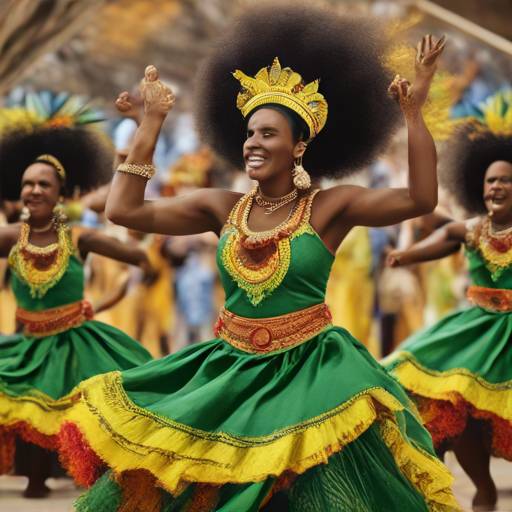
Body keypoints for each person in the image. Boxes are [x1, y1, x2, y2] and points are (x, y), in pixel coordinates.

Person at [55, 5, 458, 511]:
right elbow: (124, 210)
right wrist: (151, 123)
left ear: (299, 147)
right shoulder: (221, 208)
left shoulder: (329, 208)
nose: (252, 143)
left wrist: (415, 114)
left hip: (312, 376)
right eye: (249, 133)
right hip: (231, 372)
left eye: (267, 134)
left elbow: (419, 199)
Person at [0, 121, 154, 498]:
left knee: (95, 405)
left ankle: (98, 482)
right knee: (30, 406)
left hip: (76, 345)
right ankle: (35, 480)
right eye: (27, 184)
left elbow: (139, 256)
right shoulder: (9, 238)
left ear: (60, 195)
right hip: (30, 346)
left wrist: (134, 241)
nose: (34, 190)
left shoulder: (80, 238)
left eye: (44, 185)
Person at [384, 89, 512, 512]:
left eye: (506, 179)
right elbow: (443, 238)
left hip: (507, 340)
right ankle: (472, 490)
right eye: (491, 180)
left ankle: (487, 490)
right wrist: (407, 255)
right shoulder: (473, 229)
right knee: (448, 401)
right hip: (474, 329)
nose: (497, 186)